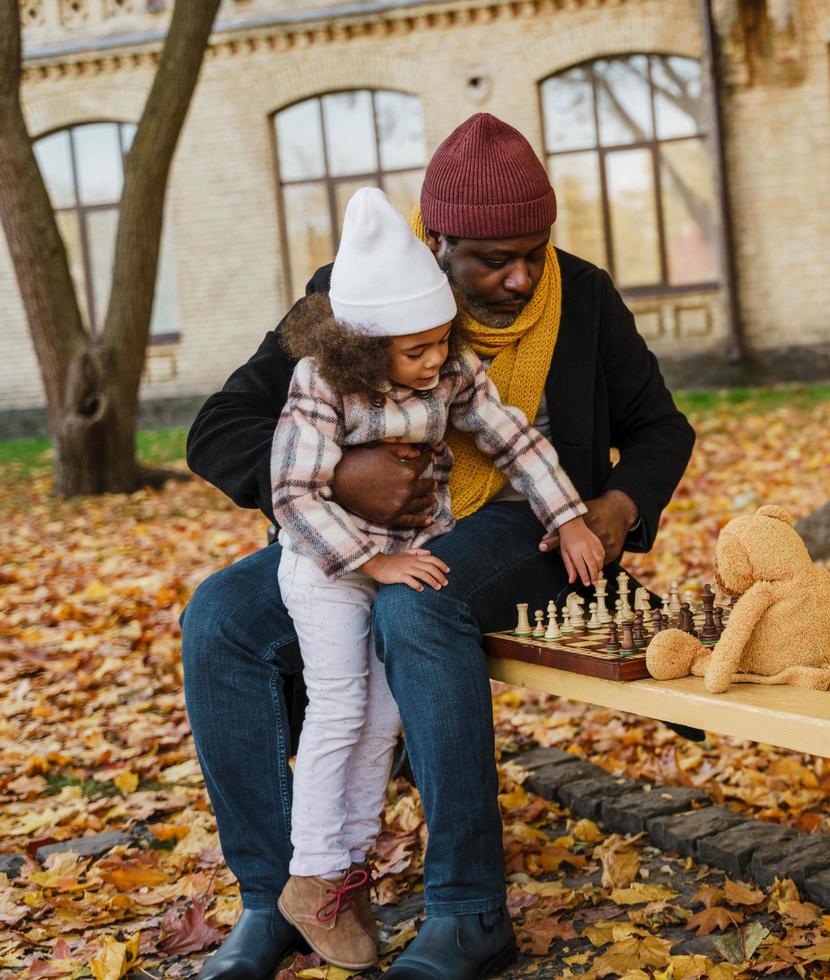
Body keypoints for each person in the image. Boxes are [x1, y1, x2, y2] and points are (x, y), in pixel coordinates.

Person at [182, 113, 695, 979]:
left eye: (534, 250)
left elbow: (659, 429)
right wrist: (345, 476)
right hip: (364, 536)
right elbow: (221, 426)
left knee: (419, 605)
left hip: (525, 529)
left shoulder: (586, 298)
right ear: (436, 239)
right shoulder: (349, 298)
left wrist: (615, 505)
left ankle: (469, 912)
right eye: (492, 259)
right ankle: (281, 899)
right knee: (221, 618)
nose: (521, 275)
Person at [268, 187, 604, 970]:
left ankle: (347, 865)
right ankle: (311, 867)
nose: (435, 363)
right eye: (415, 352)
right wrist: (372, 560)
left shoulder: (445, 366)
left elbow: (514, 438)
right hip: (326, 565)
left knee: (385, 716)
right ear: (361, 346)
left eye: (439, 343)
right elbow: (291, 495)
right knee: (341, 705)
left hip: (403, 553)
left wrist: (569, 517)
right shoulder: (323, 384)